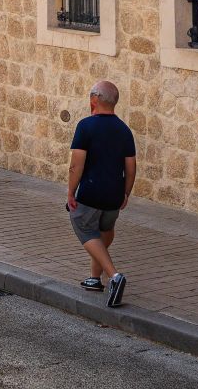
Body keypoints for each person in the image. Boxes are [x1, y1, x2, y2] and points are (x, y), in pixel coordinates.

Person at [66, 79, 136, 307]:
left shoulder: (86, 126)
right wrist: (126, 193)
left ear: (94, 100)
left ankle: (114, 276)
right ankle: (94, 279)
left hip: (90, 193)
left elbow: (77, 164)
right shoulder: (124, 130)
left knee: (85, 228)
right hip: (114, 196)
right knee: (104, 230)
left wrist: (70, 192)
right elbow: (131, 167)